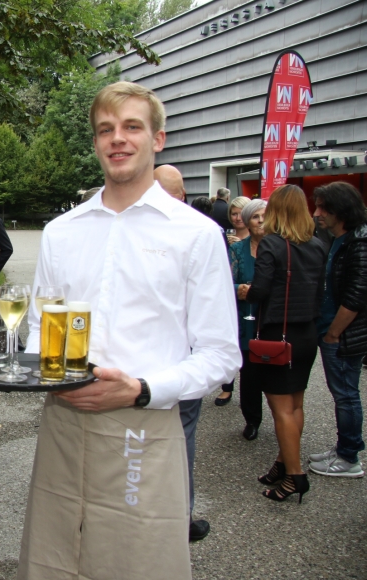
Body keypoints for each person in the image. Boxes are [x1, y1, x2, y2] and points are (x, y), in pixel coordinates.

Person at [19, 81, 240, 580]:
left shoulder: (196, 234)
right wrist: (47, 373)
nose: (117, 139)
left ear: (157, 139)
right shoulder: (62, 231)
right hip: (65, 420)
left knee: (140, 564)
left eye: (131, 127)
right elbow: (39, 330)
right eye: (106, 129)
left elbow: (221, 353)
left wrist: (141, 390)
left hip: (145, 422)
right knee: (56, 559)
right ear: (96, 142)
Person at [245, 184, 326, 502]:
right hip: (306, 334)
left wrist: (244, 291)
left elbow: (261, 290)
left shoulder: (272, 244)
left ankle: (295, 476)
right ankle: (283, 462)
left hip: (278, 335)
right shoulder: (318, 245)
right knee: (295, 405)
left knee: (282, 410)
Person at [154, 163, 212, 542]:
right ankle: (179, 518)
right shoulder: (198, 233)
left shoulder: (200, 234)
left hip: (180, 360)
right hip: (172, 360)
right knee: (181, 437)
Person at [309, 181, 367, 478]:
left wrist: (333, 333)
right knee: (342, 393)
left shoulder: (358, 243)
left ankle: (349, 457)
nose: (316, 213)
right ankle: (344, 448)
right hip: (335, 332)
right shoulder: (340, 239)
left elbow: (357, 296)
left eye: (322, 208)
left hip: (343, 336)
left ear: (339, 210)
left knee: (346, 395)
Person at [221, 199, 267, 437]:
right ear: (247, 221)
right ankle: (252, 420)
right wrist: (241, 288)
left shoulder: (279, 247)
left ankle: (283, 418)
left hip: (270, 318)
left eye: (264, 216)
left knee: (273, 372)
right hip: (244, 317)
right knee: (248, 373)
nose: (261, 221)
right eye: (256, 216)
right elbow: (225, 282)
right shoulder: (238, 249)